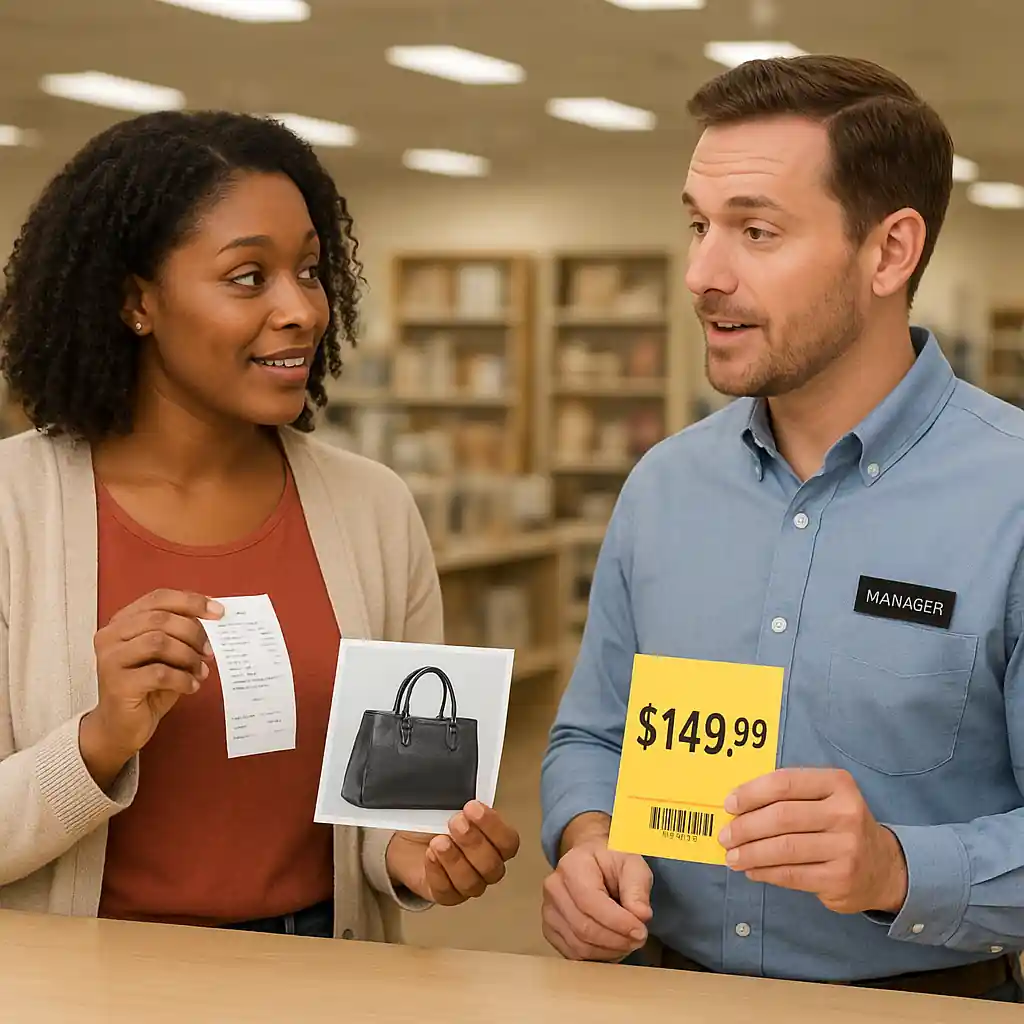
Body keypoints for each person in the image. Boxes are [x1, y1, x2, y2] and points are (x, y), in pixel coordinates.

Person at [539, 55, 1024, 1002]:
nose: (701, 275)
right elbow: (593, 738)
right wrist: (586, 843)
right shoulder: (664, 488)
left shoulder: (1011, 495)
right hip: (662, 990)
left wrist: (894, 867)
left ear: (890, 252)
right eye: (697, 225)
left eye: (755, 231)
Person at [0, 110, 519, 942]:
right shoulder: (13, 512)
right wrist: (99, 740)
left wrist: (416, 856)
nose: (301, 310)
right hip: (85, 980)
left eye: (310, 272)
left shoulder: (374, 509)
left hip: (320, 967)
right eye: (249, 277)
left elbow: (394, 807)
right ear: (138, 301)